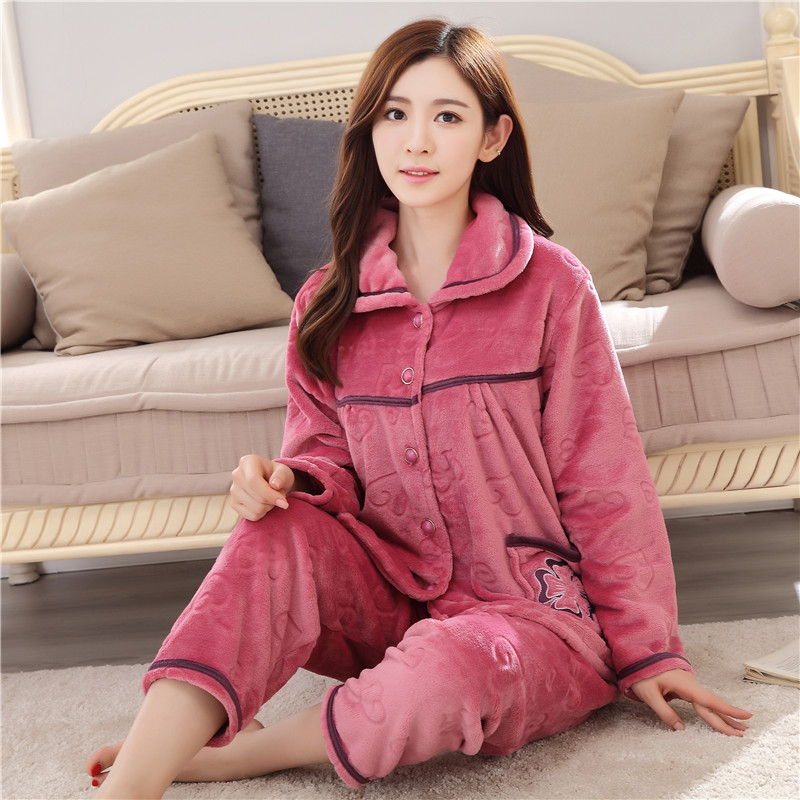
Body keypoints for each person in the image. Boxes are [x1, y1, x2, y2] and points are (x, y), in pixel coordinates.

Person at [87, 19, 752, 797]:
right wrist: (287, 481)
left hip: (533, 620)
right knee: (271, 530)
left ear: (493, 137)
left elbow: (604, 479)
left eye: (447, 116)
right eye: (395, 114)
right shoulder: (328, 302)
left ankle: (234, 754)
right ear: (369, 132)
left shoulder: (552, 287)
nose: (417, 141)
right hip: (389, 601)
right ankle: (139, 779)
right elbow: (323, 456)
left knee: (442, 673)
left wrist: (649, 650)